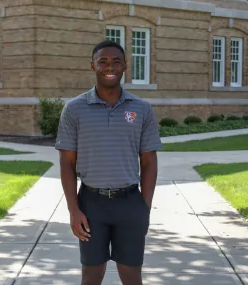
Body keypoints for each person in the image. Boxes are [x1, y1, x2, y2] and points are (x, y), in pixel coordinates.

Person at [55, 40, 162, 285]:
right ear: (92, 65)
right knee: (92, 275)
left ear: (125, 66)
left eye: (116, 61)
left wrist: (144, 207)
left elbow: (148, 162)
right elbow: (67, 164)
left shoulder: (142, 109)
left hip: (130, 203)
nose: (109, 66)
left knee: (131, 275)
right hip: (91, 205)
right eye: (102, 61)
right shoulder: (74, 109)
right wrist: (74, 210)